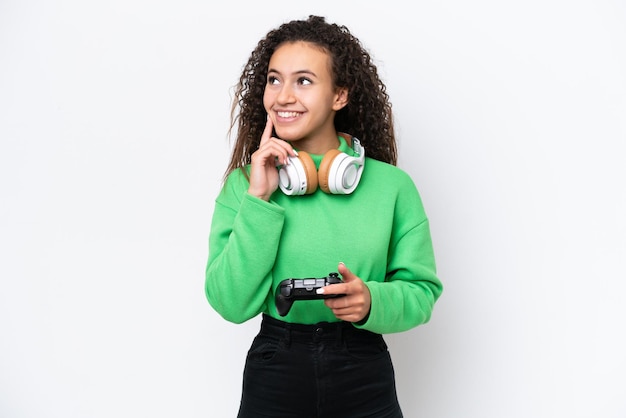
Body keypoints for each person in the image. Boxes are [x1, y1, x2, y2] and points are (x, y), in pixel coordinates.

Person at [205, 15, 443, 418]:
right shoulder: (245, 186)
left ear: (340, 95)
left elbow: (422, 293)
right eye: (274, 80)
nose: (282, 96)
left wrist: (372, 300)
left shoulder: (392, 188)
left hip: (362, 364)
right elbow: (230, 303)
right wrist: (259, 198)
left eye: (303, 81)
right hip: (275, 367)